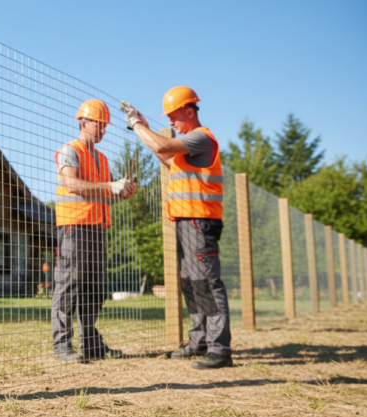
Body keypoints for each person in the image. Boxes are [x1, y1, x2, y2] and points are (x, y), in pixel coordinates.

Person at [121, 86, 232, 369]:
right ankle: (200, 342)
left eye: (173, 116)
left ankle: (219, 350)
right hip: (187, 221)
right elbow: (167, 158)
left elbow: (160, 146)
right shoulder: (188, 147)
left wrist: (135, 124)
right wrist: (145, 127)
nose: (170, 122)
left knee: (207, 282)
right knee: (192, 284)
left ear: (189, 110)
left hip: (199, 221)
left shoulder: (201, 137)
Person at [52, 99, 137, 363]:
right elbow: (73, 184)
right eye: (99, 125)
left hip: (96, 228)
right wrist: (110, 186)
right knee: (68, 286)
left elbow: (105, 192)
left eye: (105, 126)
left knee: (94, 288)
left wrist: (122, 192)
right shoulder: (70, 150)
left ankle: (91, 346)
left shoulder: (101, 158)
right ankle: (62, 346)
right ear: (83, 122)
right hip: (73, 227)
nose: (103, 131)